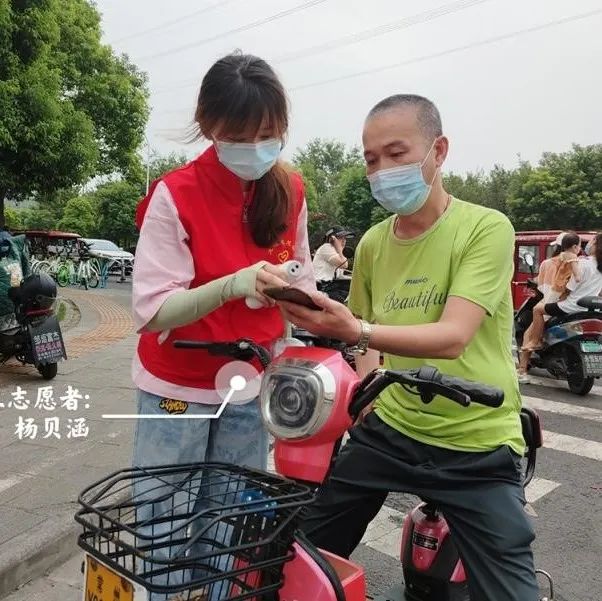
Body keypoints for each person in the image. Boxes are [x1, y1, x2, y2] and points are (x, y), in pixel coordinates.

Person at [277, 94, 539, 601]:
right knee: (296, 557)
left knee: (510, 591)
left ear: (438, 151)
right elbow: (366, 333)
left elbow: (453, 335)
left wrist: (358, 332)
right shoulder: (374, 243)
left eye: (396, 154)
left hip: (477, 440)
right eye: (371, 160)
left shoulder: (485, 228)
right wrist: (368, 389)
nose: (382, 171)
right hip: (391, 430)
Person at [131, 52, 314, 598]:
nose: (255, 147)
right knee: (166, 518)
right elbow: (153, 310)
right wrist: (233, 284)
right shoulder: (176, 194)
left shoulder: (291, 190)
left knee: (231, 517)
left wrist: (306, 304)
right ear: (209, 125)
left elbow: (303, 281)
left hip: (248, 382)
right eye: (240, 136)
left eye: (268, 135)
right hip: (176, 386)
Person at [529, 232, 602, 332]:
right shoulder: (596, 265)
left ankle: (535, 340)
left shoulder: (581, 263)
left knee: (537, 309)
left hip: (571, 306)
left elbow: (569, 288)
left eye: (592, 241)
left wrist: (559, 298)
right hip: (591, 309)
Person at [524, 232, 584, 354]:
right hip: (570, 300)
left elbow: (541, 286)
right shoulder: (580, 262)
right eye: (579, 246)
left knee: (529, 333)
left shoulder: (548, 263)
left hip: (554, 299)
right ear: (574, 247)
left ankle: (525, 361)